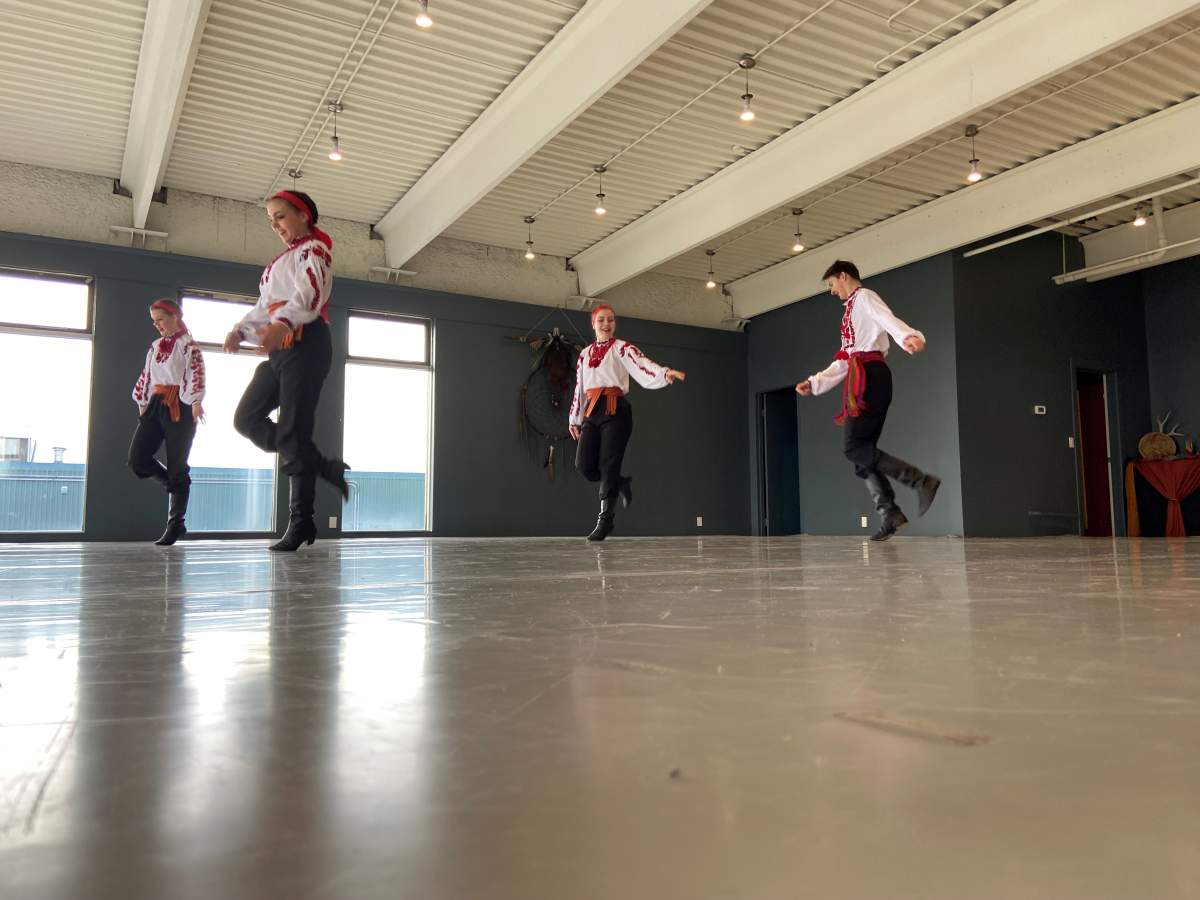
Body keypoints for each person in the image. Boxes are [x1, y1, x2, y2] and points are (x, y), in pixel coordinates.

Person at [223, 190, 349, 552]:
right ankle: (323, 467)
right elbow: (264, 307)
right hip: (281, 348)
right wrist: (240, 330)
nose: (275, 225)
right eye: (271, 220)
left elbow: (310, 295)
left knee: (295, 431)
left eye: (280, 216)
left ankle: (301, 522)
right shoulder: (282, 260)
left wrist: (283, 323)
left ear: (303, 216)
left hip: (306, 341)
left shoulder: (315, 250)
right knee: (246, 419)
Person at [795, 260, 940, 541]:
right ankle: (890, 513)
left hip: (871, 377)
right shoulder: (851, 309)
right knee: (862, 453)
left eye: (831, 284)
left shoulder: (864, 297)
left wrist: (909, 337)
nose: (832, 290)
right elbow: (846, 358)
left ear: (843, 276)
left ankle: (921, 482)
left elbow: (888, 320)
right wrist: (814, 383)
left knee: (854, 448)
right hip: (862, 376)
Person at [568, 304, 686, 541]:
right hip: (592, 410)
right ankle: (619, 482)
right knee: (584, 466)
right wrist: (575, 418)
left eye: (610, 320)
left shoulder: (622, 348)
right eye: (601, 320)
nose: (606, 324)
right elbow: (579, 389)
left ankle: (605, 520)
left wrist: (664, 373)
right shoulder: (584, 354)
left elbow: (643, 364)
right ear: (593, 323)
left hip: (616, 409)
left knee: (609, 462)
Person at [129, 298, 205, 546]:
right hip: (156, 404)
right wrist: (142, 402)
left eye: (160, 319)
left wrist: (195, 402)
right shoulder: (155, 346)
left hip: (180, 406)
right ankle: (173, 485)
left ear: (174, 316)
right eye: (154, 321)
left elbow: (196, 373)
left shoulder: (189, 346)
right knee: (138, 459)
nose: (157, 325)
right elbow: (146, 375)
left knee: (177, 464)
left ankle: (176, 524)